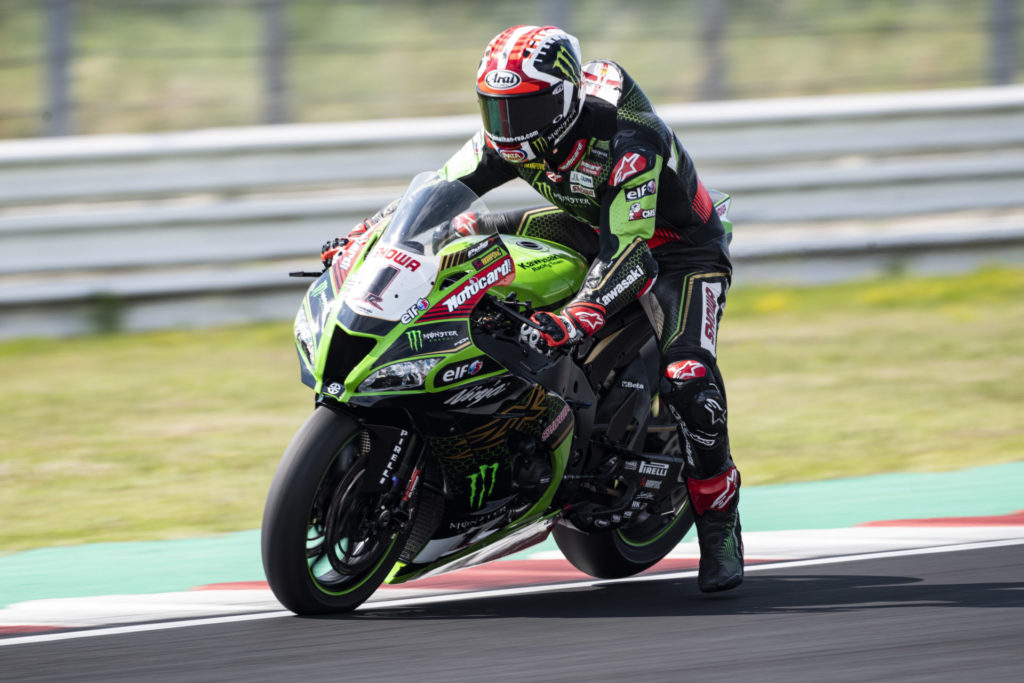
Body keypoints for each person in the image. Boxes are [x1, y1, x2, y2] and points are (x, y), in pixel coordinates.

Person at [322, 25, 742, 593]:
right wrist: (363, 238)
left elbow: (632, 256)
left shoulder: (628, 143)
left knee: (688, 375)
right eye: (496, 112)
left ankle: (720, 526)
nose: (507, 130)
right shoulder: (516, 136)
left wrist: (577, 317)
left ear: (565, 100)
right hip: (589, 224)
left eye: (523, 111)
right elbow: (435, 194)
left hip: (675, 249)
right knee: (463, 237)